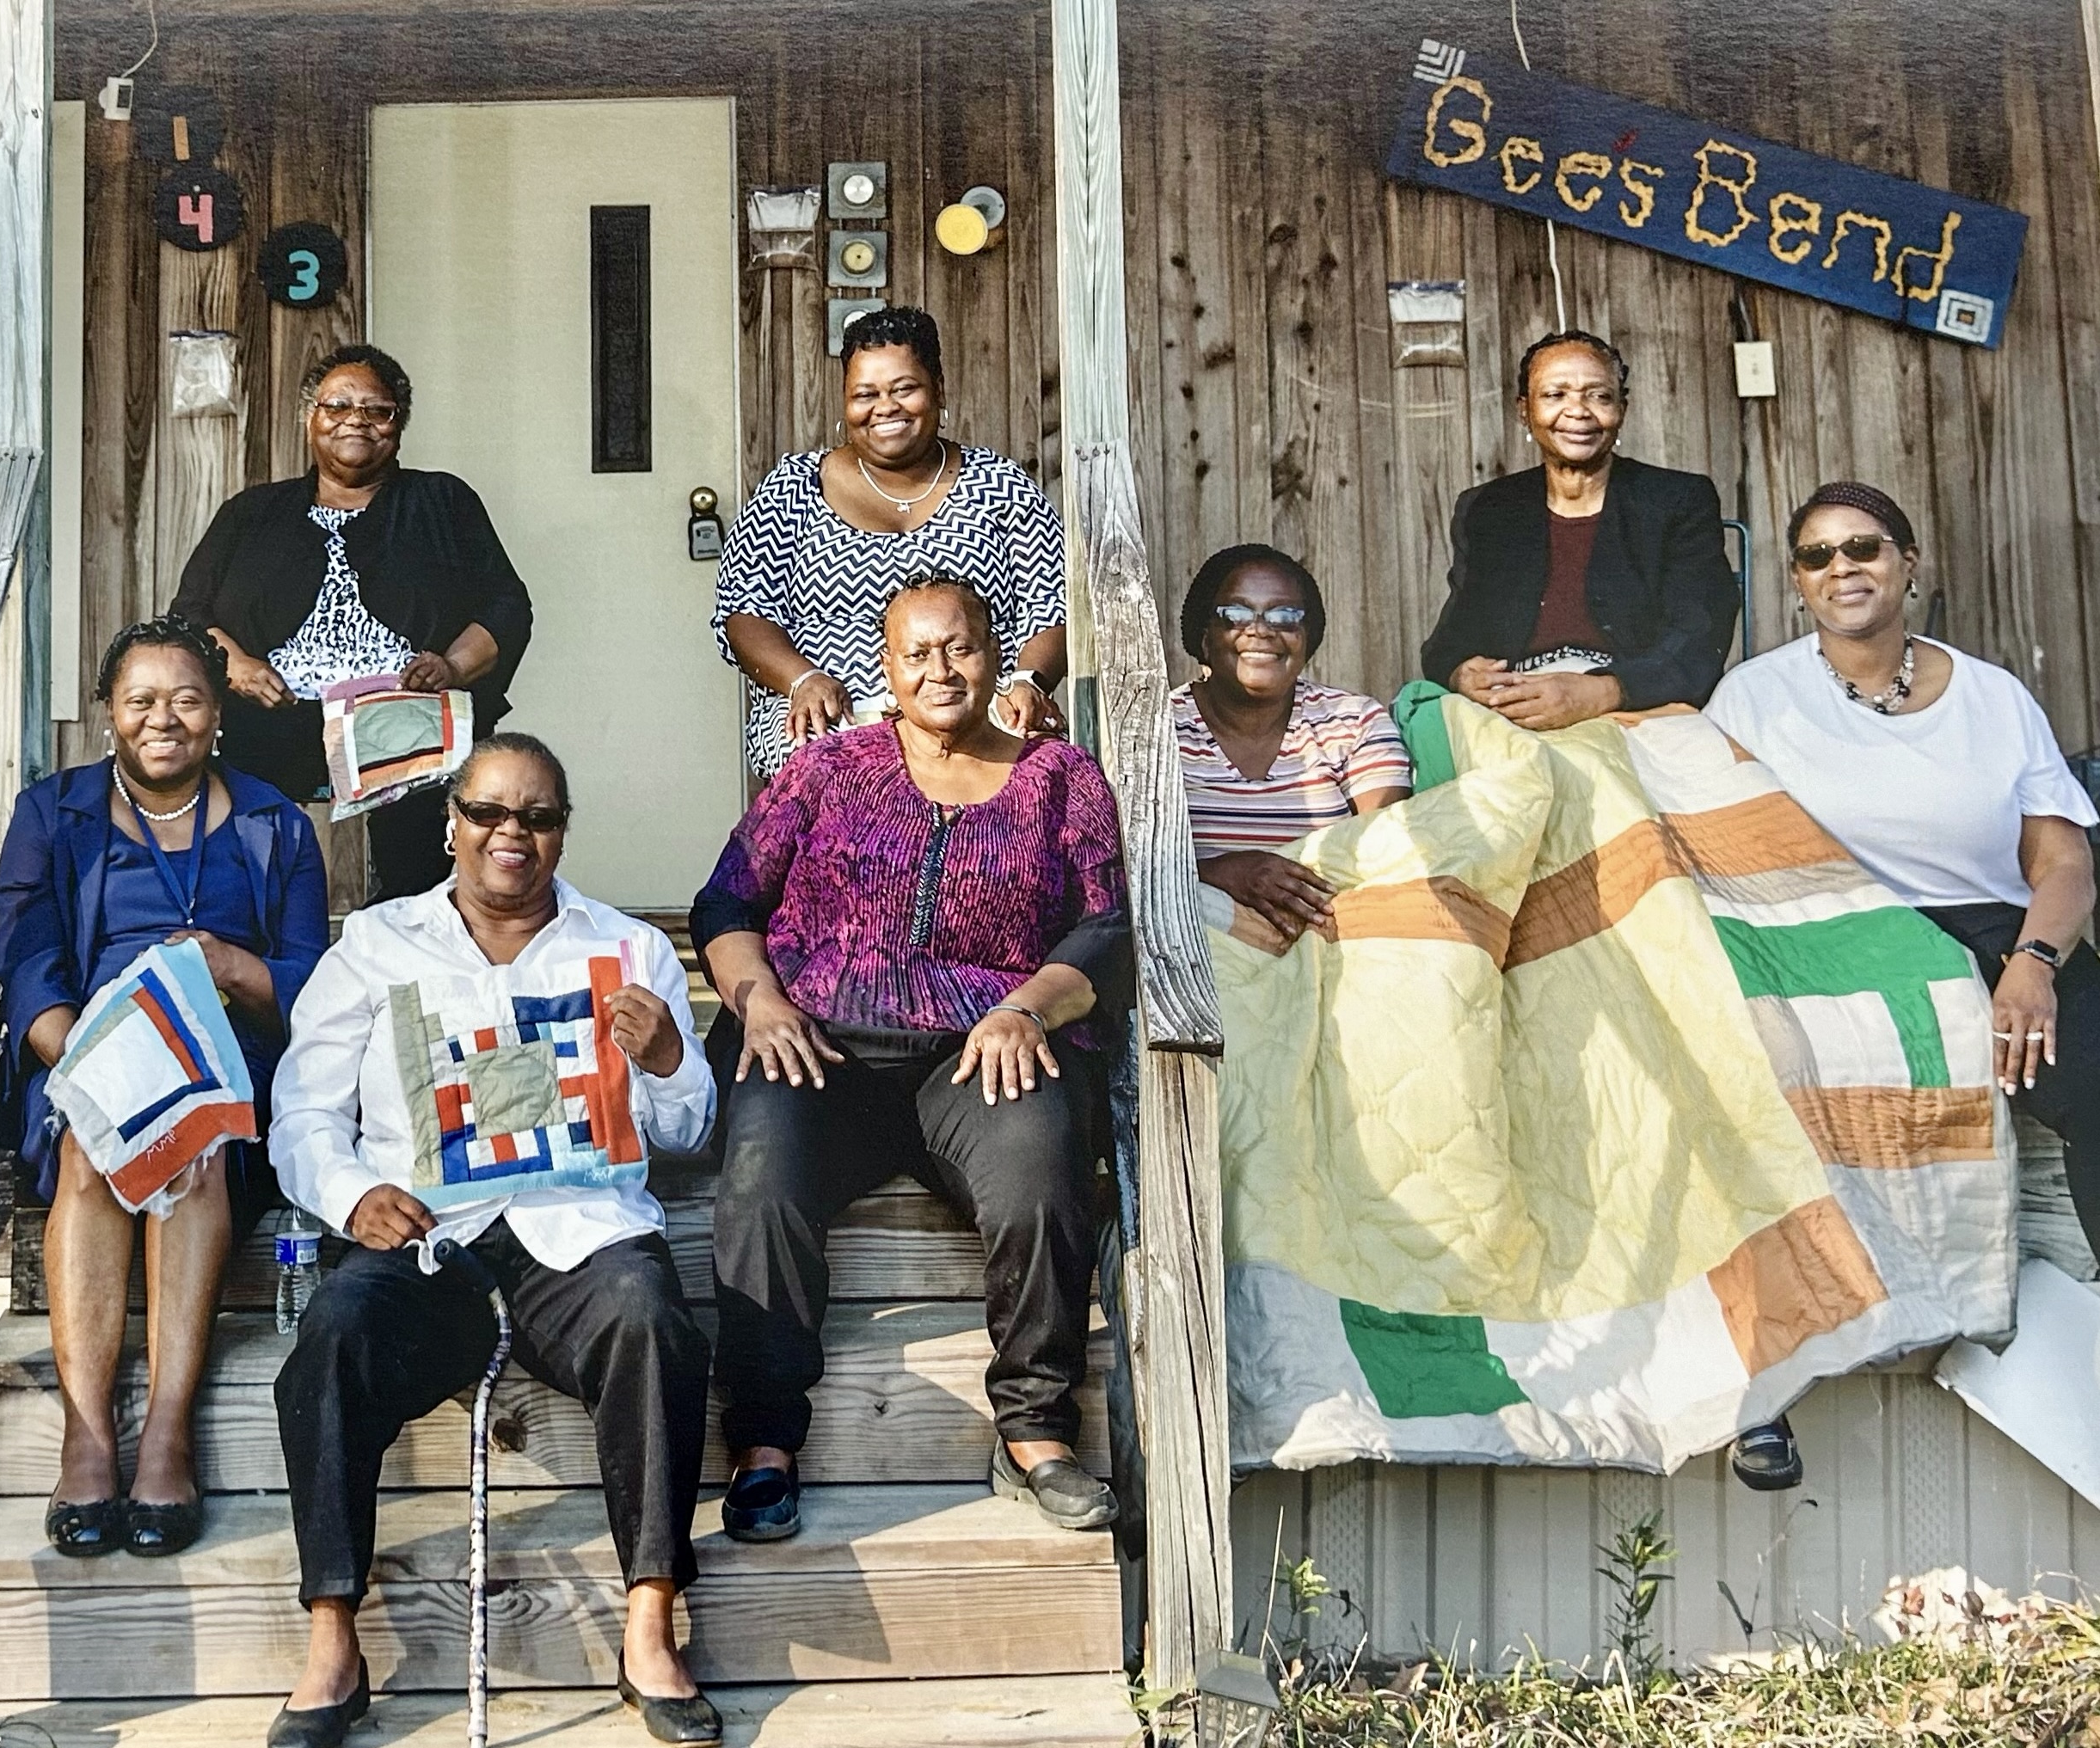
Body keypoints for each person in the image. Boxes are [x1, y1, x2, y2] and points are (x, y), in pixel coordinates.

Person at [265, 735, 721, 1748]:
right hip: (429, 1236)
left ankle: (649, 1626)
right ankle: (333, 1641)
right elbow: (299, 1114)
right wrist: (353, 1196)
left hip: (579, 1234)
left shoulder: (627, 946)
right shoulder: (377, 944)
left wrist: (668, 1058)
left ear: (563, 831)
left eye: (538, 816)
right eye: (489, 812)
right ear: (451, 822)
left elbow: (687, 1130)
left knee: (654, 1321)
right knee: (333, 1336)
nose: (511, 832)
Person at [695, 573, 1130, 1542]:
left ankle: (1034, 1433)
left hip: (977, 1051)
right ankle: (764, 1440)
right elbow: (727, 902)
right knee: (760, 1174)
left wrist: (1027, 1007)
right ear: (886, 669)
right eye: (917, 652)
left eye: (961, 646)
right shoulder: (827, 769)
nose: (941, 669)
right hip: (818, 1042)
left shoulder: (1062, 776)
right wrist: (758, 999)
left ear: (994, 649)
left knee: (1040, 1153)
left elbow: (1104, 931)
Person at [1705, 481, 2100, 1492]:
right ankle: (1767, 1384)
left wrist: (2036, 963)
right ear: (1797, 584)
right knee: (1754, 1090)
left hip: (1988, 936)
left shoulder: (1994, 694)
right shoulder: (1756, 694)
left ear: (1910, 562)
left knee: (2097, 1073)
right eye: (1818, 555)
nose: (1844, 568)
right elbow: (1700, 829)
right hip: (1828, 937)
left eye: (1865, 547)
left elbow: (2061, 864)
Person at [0, 617, 331, 1557]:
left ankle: (170, 1432)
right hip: (89, 1050)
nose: (163, 719)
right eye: (140, 700)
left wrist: (232, 962)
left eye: (185, 698)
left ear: (217, 712)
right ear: (110, 713)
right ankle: (89, 1433)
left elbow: (312, 980)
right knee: (92, 1139)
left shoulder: (274, 825)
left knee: (194, 1138)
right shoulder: (51, 813)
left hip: (232, 1069)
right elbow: (26, 961)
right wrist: (86, 1058)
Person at [171, 343, 533, 903]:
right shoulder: (253, 513)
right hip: (272, 718)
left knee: (421, 850)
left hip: (406, 718)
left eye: (376, 409)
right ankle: (266, 960)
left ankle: (407, 958)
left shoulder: (441, 501)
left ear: (399, 423)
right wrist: (237, 667)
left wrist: (452, 664)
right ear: (310, 418)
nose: (355, 420)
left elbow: (506, 605)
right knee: (246, 846)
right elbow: (190, 613)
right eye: (336, 405)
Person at [714, 304, 1070, 779]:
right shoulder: (794, 488)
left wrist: (1028, 680)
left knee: (1036, 767)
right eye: (865, 394)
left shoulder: (1000, 486)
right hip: (832, 718)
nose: (885, 407)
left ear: (938, 391)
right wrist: (804, 679)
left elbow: (1054, 606)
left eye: (904, 389)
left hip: (970, 714)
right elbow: (744, 614)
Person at [1421, 330, 1741, 731]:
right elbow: (1452, 637)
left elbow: (1700, 636)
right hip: (1516, 713)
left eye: (1599, 396)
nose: (1578, 411)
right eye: (1555, 395)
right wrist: (1462, 673)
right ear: (1525, 410)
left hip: (1637, 710)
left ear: (1621, 409)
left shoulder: (1676, 500)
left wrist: (1602, 692)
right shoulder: (1489, 509)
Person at [1175, 543, 1414, 938]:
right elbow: (1119, 877)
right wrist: (1220, 873)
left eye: (1286, 616)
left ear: (1308, 639)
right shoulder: (1157, 732)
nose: (1262, 630)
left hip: (1336, 941)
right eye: (1235, 614)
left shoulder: (1353, 721)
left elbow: (1389, 850)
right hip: (1197, 959)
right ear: (1204, 638)